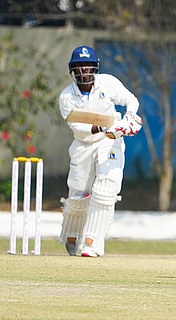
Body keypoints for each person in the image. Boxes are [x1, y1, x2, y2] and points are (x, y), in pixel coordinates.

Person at [58, 45, 143, 257]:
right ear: (72, 70)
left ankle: (91, 243)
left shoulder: (108, 82)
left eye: (88, 66)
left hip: (109, 141)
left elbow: (131, 100)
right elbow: (79, 129)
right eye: (79, 67)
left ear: (95, 68)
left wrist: (129, 117)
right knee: (78, 195)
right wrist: (106, 126)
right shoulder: (66, 97)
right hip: (83, 144)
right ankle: (72, 234)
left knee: (106, 190)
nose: (84, 71)